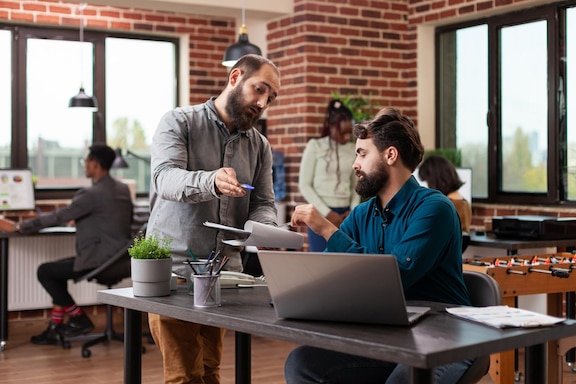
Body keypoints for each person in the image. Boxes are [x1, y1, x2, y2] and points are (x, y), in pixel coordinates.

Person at [286, 107, 472, 384]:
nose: (355, 164)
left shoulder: (435, 208)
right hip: (390, 335)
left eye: (362, 153)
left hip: (443, 338)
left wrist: (326, 228)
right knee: (303, 363)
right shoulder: (362, 214)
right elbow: (330, 272)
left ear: (390, 155)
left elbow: (395, 277)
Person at [146, 54, 280, 384]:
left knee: (209, 371)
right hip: (173, 273)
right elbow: (164, 178)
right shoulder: (179, 121)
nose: (262, 102)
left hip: (222, 274)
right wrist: (211, 181)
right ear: (235, 77)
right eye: (259, 90)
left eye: (270, 97)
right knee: (184, 376)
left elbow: (263, 203)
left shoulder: (260, 145)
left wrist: (268, 229)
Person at [0, 144, 133, 346]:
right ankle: (56, 328)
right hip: (121, 260)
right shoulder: (122, 189)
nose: (84, 165)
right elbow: (109, 218)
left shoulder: (90, 194)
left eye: (85, 161)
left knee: (46, 272)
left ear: (95, 164)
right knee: (57, 273)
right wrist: (81, 218)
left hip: (99, 261)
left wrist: (17, 225)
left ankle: (79, 317)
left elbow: (57, 216)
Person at [298, 99, 360, 251]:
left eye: (349, 133)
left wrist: (352, 211)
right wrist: (327, 213)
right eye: (343, 132)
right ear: (331, 126)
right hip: (319, 215)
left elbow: (355, 186)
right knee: (320, 262)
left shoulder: (353, 149)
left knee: (345, 261)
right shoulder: (315, 146)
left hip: (346, 215)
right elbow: (305, 185)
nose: (347, 137)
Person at [418, 154, 472, 234]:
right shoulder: (465, 204)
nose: (427, 186)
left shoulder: (444, 207)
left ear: (435, 180)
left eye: (427, 181)